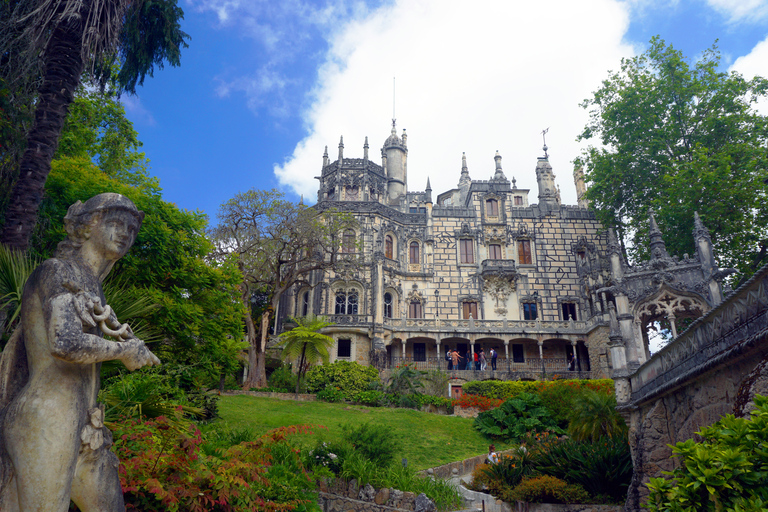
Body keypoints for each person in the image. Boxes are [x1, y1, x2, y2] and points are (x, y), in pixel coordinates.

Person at [0, 193, 160, 512]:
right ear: (85, 227)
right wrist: (124, 350)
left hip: (87, 426)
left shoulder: (93, 286)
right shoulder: (58, 271)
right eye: (116, 223)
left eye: (132, 228)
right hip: (47, 419)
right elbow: (65, 343)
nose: (127, 233)